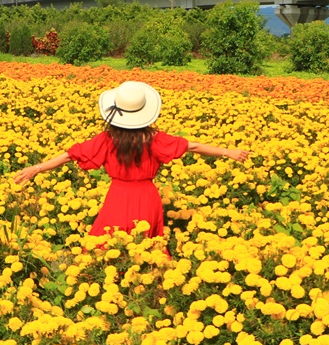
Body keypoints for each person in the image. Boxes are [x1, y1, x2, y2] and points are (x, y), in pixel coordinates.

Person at [13, 80, 248, 246]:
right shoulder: (155, 139)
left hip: (118, 196)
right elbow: (193, 146)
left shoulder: (107, 140)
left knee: (106, 242)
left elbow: (69, 155)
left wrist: (36, 168)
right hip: (148, 197)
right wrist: (229, 152)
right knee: (146, 246)